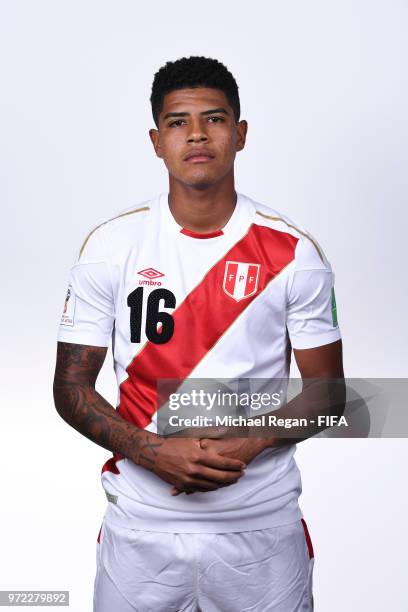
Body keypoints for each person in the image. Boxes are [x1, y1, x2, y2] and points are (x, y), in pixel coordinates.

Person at [53, 56, 344, 612]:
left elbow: (328, 393)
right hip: (141, 531)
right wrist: (152, 450)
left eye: (213, 119)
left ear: (240, 134)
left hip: (261, 533)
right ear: (156, 140)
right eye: (177, 122)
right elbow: (71, 388)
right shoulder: (110, 247)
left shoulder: (295, 253)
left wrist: (248, 443)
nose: (196, 135)